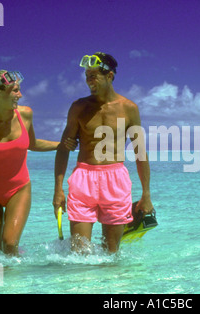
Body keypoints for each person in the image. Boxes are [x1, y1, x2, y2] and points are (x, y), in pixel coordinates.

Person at [0, 70, 76, 255]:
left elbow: (32, 144)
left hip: (19, 189)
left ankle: (14, 284)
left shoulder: (25, 115)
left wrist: (60, 145)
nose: (20, 95)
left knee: (9, 244)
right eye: (15, 90)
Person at [53, 52, 153, 253]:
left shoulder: (129, 108)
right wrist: (58, 189)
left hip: (115, 179)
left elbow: (140, 153)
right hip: (83, 178)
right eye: (87, 75)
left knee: (111, 253)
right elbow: (64, 148)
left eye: (94, 75)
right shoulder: (79, 107)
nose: (89, 80)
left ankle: (112, 285)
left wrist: (146, 194)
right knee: (79, 253)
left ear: (110, 76)